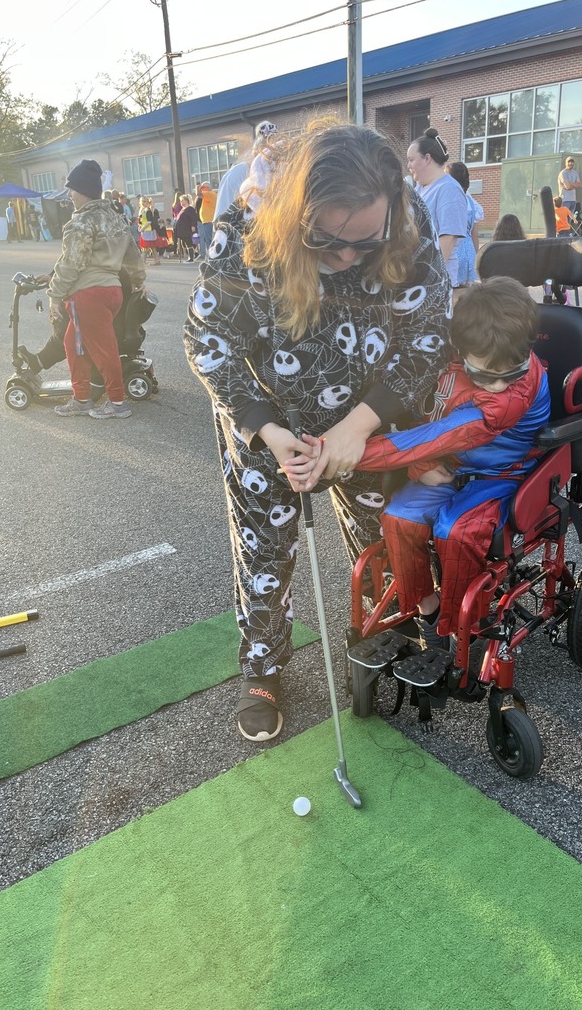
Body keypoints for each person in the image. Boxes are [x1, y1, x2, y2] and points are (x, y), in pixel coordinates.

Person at [184, 119, 452, 743]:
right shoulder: (248, 233)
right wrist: (268, 431)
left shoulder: (407, 220)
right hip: (268, 422)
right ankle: (262, 669)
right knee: (265, 552)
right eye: (327, 241)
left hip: (368, 418)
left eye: (365, 242)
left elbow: (428, 335)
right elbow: (208, 338)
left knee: (382, 530)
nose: (347, 258)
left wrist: (358, 429)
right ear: (295, 214)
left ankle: (390, 622)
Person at [285, 277, 550, 646]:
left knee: (455, 531)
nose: (497, 386)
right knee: (398, 519)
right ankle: (428, 610)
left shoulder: (508, 399)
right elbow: (421, 415)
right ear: (461, 348)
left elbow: (432, 437)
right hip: (450, 465)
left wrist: (341, 450)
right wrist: (418, 466)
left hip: (502, 475)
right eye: (483, 375)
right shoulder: (454, 349)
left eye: (511, 373)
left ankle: (462, 624)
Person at [47, 158, 146, 420]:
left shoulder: (81, 222)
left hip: (88, 295)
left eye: (72, 190)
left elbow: (72, 263)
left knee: (103, 350)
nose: (69, 195)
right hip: (111, 292)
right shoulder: (115, 216)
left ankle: (117, 402)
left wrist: (55, 294)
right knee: (73, 344)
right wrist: (138, 279)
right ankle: (81, 398)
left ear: (83, 192)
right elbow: (133, 253)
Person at [407, 128, 468, 292]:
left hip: (433, 283)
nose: (408, 165)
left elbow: (447, 241)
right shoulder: (420, 188)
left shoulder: (449, 190)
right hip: (416, 278)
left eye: (411, 160)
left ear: (427, 158)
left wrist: (424, 279)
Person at [446, 160, 484, 289]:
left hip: (454, 251)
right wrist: (474, 256)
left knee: (451, 290)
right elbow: (475, 235)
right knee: (466, 291)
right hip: (469, 252)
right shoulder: (471, 203)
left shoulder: (450, 201)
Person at [173, 194, 199, 262]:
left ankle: (191, 257)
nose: (181, 202)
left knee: (189, 243)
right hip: (181, 230)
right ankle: (190, 256)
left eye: (182, 201)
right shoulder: (182, 209)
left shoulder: (190, 209)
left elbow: (193, 218)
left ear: (187, 201)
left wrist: (193, 225)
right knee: (184, 243)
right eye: (180, 201)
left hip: (186, 229)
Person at [195, 182, 217, 260]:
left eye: (203, 188)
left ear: (207, 188)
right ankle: (210, 256)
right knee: (208, 239)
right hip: (206, 220)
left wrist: (198, 186)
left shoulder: (210, 193)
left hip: (208, 220)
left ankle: (211, 257)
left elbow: (198, 193)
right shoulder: (208, 195)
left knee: (209, 240)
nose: (202, 190)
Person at [138, 197, 162, 266]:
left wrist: (142, 228)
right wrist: (140, 227)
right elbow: (140, 221)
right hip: (145, 230)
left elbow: (149, 221)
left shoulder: (147, 210)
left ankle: (143, 262)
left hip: (148, 230)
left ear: (148, 202)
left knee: (146, 248)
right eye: (142, 201)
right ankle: (157, 260)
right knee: (151, 247)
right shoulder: (142, 210)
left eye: (145, 201)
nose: (143, 203)